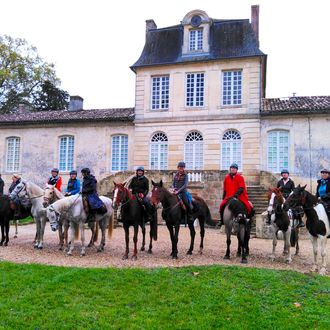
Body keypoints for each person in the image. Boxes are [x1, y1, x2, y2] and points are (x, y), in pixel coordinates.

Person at [219, 163, 252, 227]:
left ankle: (248, 218)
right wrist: (223, 198)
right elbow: (225, 189)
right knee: (221, 205)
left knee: (248, 206)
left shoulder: (240, 177)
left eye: (234, 168)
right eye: (232, 168)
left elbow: (241, 187)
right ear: (230, 169)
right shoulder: (226, 178)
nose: (233, 169)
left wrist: (236, 195)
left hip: (239, 196)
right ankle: (222, 220)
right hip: (228, 196)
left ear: (236, 170)